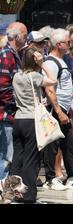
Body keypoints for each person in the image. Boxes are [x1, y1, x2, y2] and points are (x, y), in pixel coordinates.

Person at [9, 47, 57, 203]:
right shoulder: (35, 76)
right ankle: (28, 196)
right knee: (31, 160)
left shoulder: (16, 76)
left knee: (17, 158)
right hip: (31, 121)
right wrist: (43, 64)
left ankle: (12, 194)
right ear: (35, 60)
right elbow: (53, 80)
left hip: (18, 119)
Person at [42, 28, 73, 190]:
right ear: (59, 44)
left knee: (69, 143)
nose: (69, 44)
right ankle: (50, 179)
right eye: (67, 42)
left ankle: (72, 176)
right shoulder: (51, 63)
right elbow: (50, 90)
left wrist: (68, 108)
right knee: (52, 144)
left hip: (64, 109)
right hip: (55, 110)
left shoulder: (62, 60)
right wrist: (58, 111)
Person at [0, 22, 27, 179]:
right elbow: (3, 87)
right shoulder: (6, 55)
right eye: (25, 35)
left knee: (8, 156)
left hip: (11, 114)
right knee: (6, 157)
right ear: (17, 37)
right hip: (6, 114)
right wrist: (17, 104)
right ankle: (3, 194)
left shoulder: (16, 54)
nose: (26, 38)